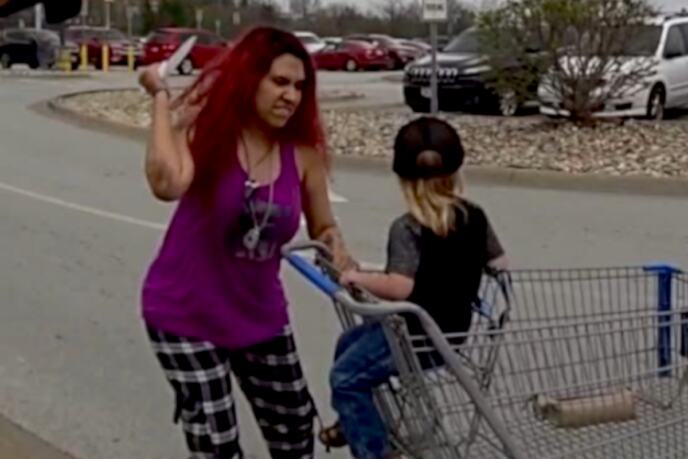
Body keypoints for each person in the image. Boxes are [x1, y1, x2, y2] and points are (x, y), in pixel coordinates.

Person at [137, 26, 355, 459]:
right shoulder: (211, 133)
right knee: (217, 446)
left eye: (299, 87)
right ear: (251, 79)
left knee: (295, 433)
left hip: (260, 317)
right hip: (185, 315)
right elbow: (167, 183)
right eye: (280, 82)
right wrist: (161, 96)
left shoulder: (303, 155)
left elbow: (324, 227)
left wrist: (342, 258)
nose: (291, 96)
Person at [319, 117, 508, 459]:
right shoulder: (475, 216)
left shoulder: (408, 228)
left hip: (413, 338)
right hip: (451, 334)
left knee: (344, 378)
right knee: (348, 342)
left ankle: (374, 450)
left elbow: (400, 287)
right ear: (455, 172)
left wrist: (357, 277)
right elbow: (499, 262)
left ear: (403, 179)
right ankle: (353, 420)